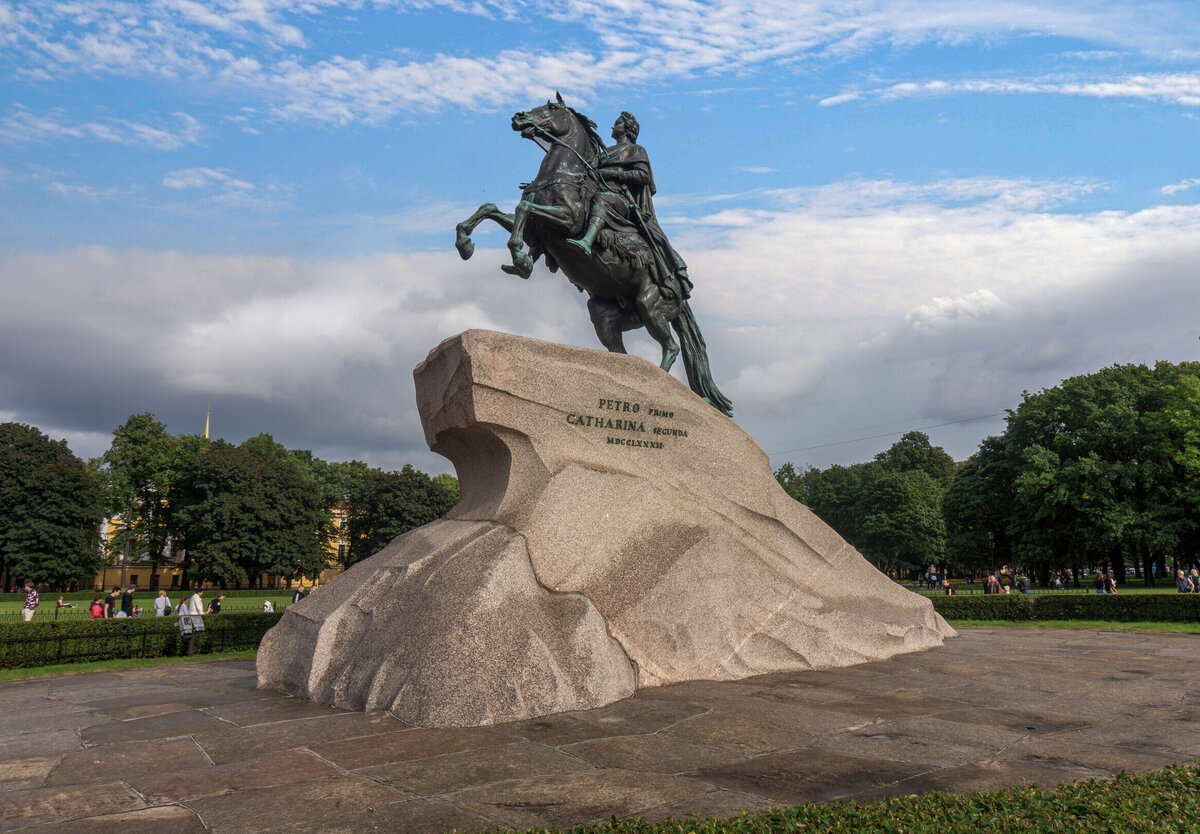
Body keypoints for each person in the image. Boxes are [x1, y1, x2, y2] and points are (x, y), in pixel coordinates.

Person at [566, 111, 692, 300]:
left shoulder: (636, 150)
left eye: (617, 123)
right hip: (599, 192)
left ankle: (586, 241)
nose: (613, 126)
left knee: (602, 199)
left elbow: (643, 176)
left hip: (621, 200)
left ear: (627, 128)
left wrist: (615, 174)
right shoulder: (605, 151)